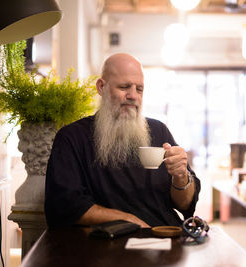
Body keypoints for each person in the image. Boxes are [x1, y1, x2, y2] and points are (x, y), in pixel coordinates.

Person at [44, 53, 201, 228]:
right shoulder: (72, 138)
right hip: (106, 247)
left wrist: (181, 177)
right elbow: (64, 205)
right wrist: (129, 220)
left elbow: (185, 204)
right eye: (124, 87)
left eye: (139, 89)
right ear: (101, 87)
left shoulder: (159, 131)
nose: (133, 95)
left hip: (165, 237)